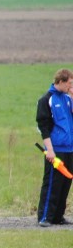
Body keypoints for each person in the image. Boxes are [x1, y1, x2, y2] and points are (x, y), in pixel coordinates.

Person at [36, 68, 73, 227]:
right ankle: (45, 216)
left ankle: (58, 216)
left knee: (65, 183)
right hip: (55, 148)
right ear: (61, 82)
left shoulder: (67, 98)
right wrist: (49, 150)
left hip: (69, 148)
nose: (71, 86)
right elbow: (43, 126)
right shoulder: (47, 99)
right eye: (69, 83)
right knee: (53, 183)